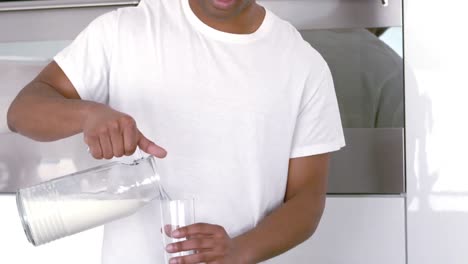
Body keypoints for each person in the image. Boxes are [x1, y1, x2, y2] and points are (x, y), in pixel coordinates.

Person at [7, 0, 345, 263]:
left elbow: (308, 200)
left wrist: (238, 252)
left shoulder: (303, 64)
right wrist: (86, 114)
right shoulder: (125, 29)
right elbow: (21, 112)